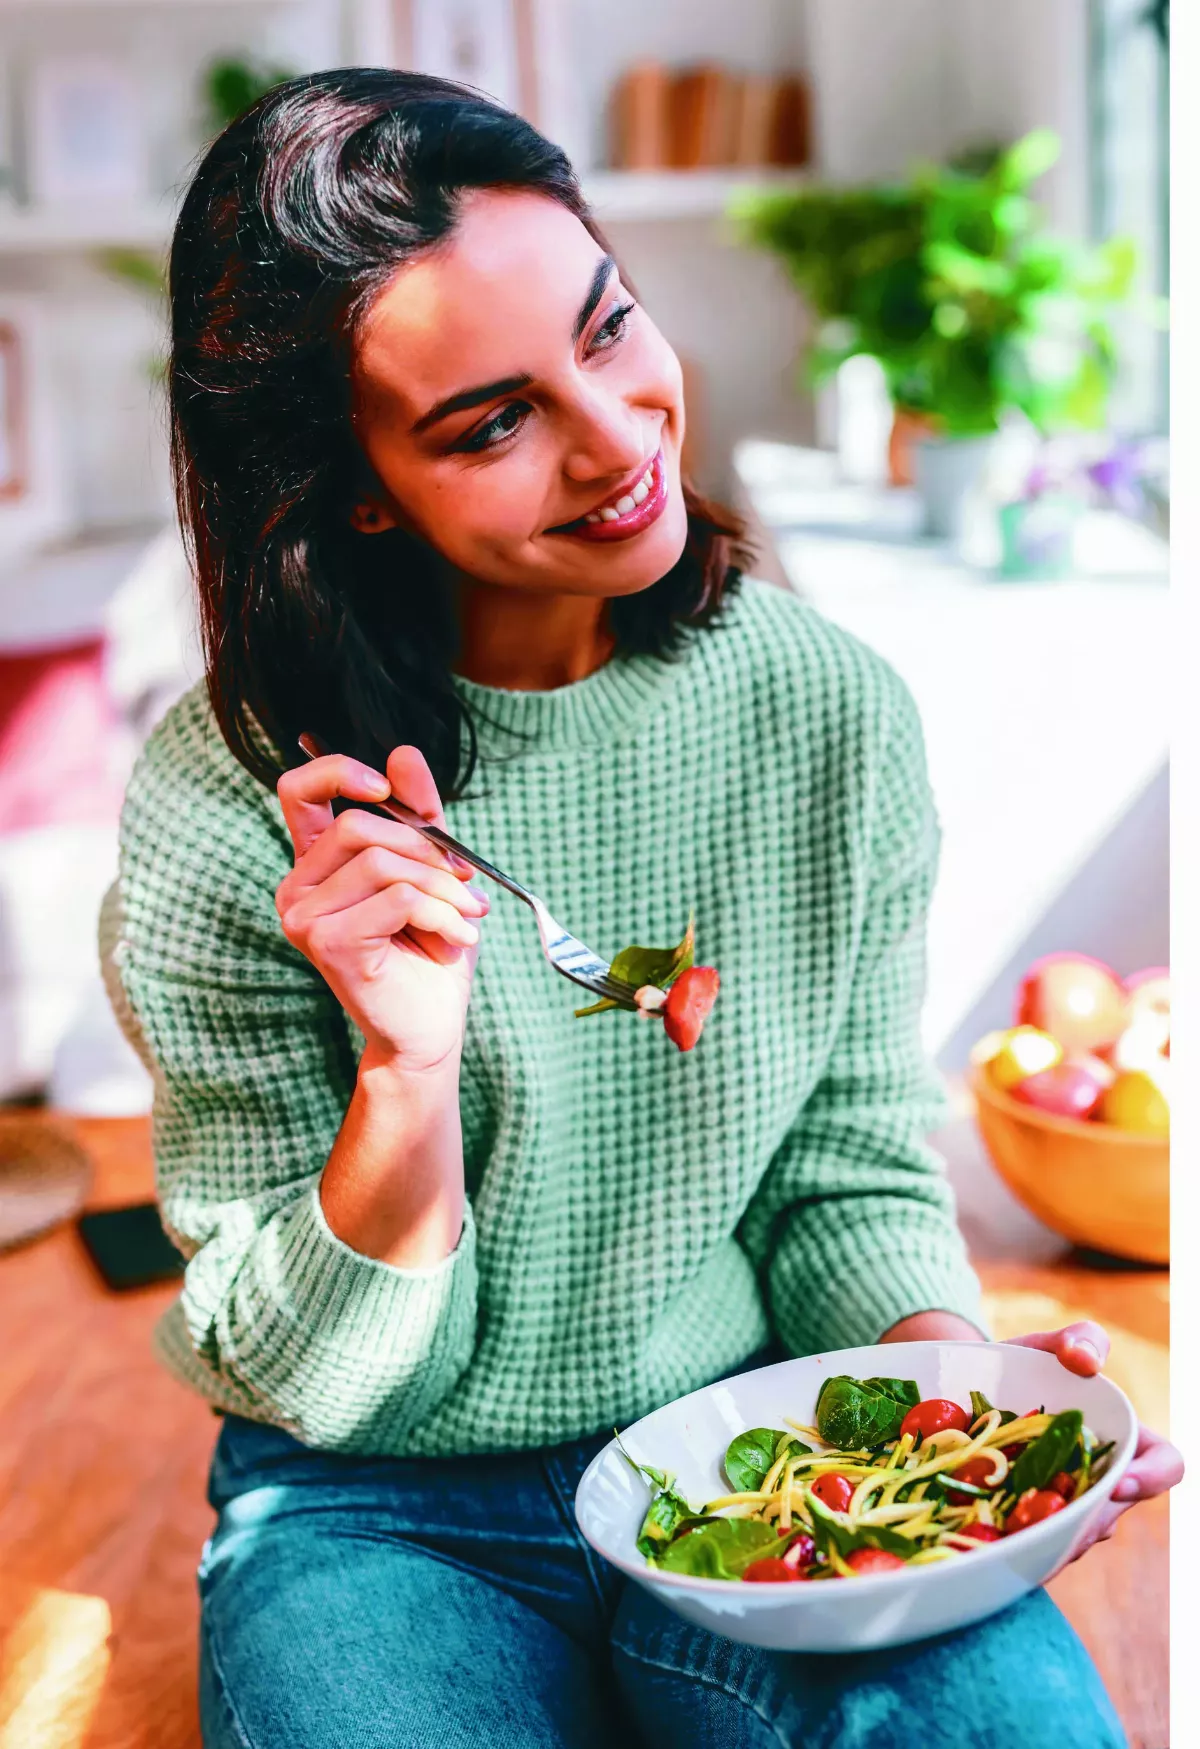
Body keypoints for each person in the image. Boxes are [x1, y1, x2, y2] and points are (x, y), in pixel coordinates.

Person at [101, 69, 1180, 1749]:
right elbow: (307, 1378)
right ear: (362, 486)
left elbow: (845, 1156)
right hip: (381, 1510)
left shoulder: (823, 712)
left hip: (749, 1436)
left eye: (609, 329)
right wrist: (407, 1075)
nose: (615, 438)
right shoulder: (230, 809)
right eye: (492, 421)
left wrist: (957, 1404)